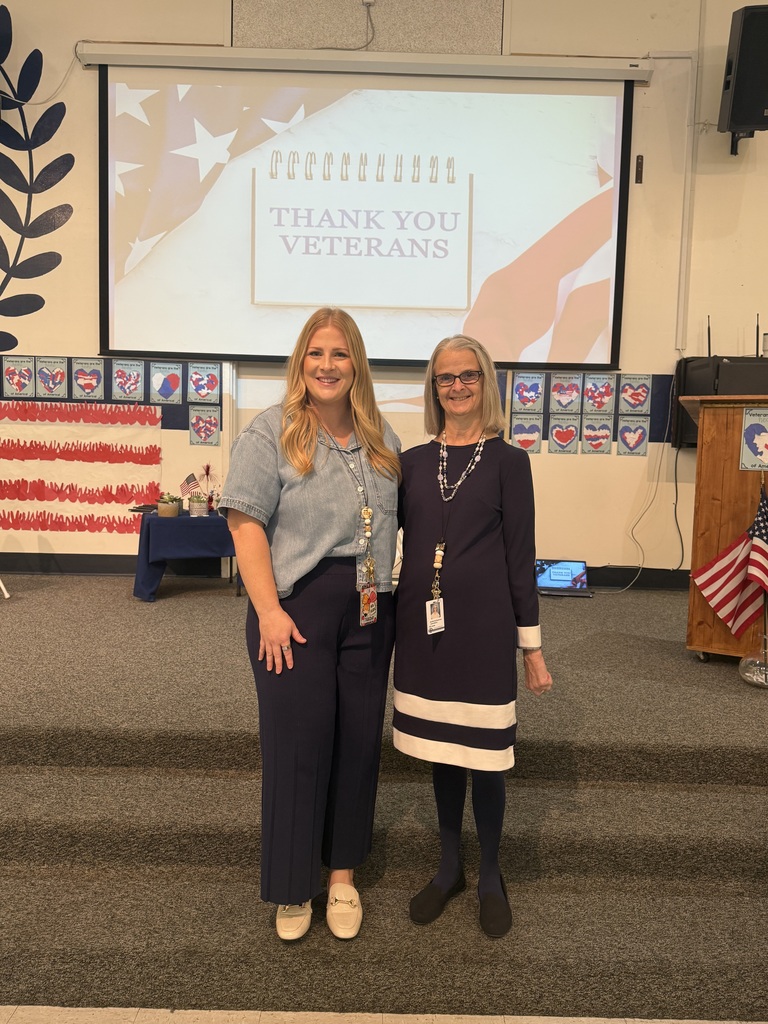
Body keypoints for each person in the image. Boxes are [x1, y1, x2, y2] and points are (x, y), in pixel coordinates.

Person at [218, 307, 401, 942]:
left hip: (372, 605)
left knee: (356, 743)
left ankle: (342, 876)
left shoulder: (383, 440)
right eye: (317, 354)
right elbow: (244, 526)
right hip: (294, 606)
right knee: (298, 747)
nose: (328, 366)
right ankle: (294, 886)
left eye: (340, 354)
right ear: (301, 362)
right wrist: (267, 609)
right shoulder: (270, 433)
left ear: (357, 365)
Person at [392, 333, 553, 939]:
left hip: (485, 632)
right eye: (444, 378)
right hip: (425, 629)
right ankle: (448, 867)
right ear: (433, 388)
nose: (456, 387)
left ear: (486, 382)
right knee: (441, 751)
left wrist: (532, 650)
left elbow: (521, 559)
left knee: (484, 757)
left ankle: (489, 872)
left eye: (468, 376)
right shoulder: (410, 461)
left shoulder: (511, 462)